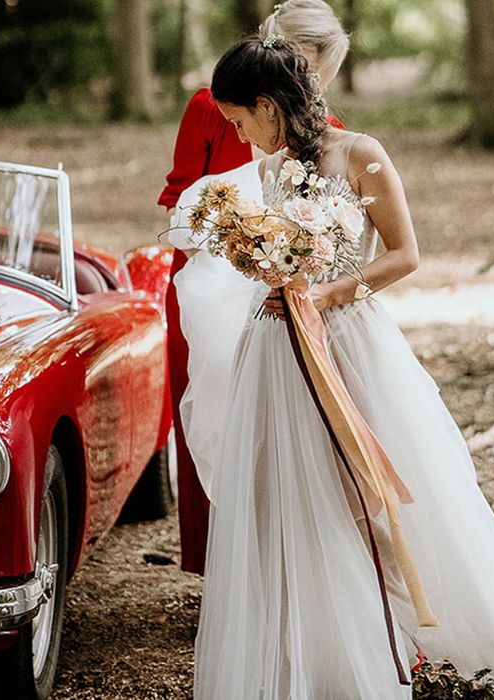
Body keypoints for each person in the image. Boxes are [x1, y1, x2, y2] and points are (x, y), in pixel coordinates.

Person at [187, 37, 494, 699]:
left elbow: (405, 255)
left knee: (370, 491)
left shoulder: (361, 154)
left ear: (270, 106)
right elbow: (276, 254)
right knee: (292, 494)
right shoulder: (273, 166)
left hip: (347, 340)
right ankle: (318, 646)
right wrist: (257, 262)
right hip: (277, 347)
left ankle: (399, 630)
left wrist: (328, 295)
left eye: (239, 118)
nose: (236, 131)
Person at [158, 0, 350, 577]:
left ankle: (295, 565)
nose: (307, 83)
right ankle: (223, 570)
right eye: (299, 64)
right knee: (212, 412)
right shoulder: (211, 107)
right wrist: (234, 236)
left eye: (317, 73)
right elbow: (177, 199)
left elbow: (335, 227)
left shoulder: (330, 132)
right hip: (206, 280)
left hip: (288, 283)